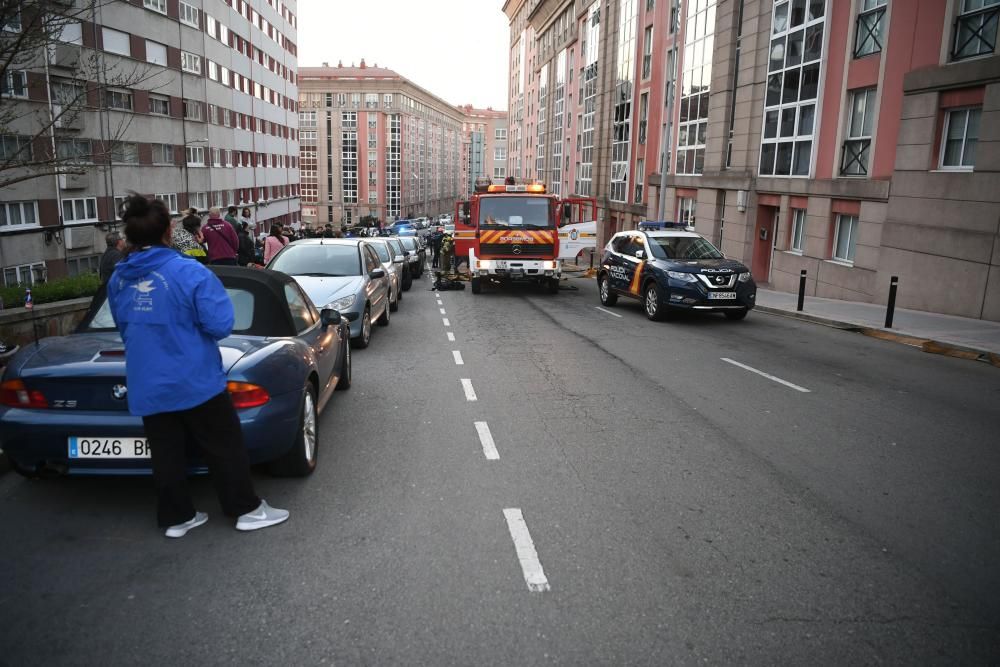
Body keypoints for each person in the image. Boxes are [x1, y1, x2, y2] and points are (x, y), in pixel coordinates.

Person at [106, 194, 289, 538]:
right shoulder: (188, 271)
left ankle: (177, 517)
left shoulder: (119, 277)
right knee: (224, 444)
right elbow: (220, 324)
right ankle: (245, 509)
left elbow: (123, 322)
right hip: (193, 377)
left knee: (165, 450)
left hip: (147, 378)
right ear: (168, 230)